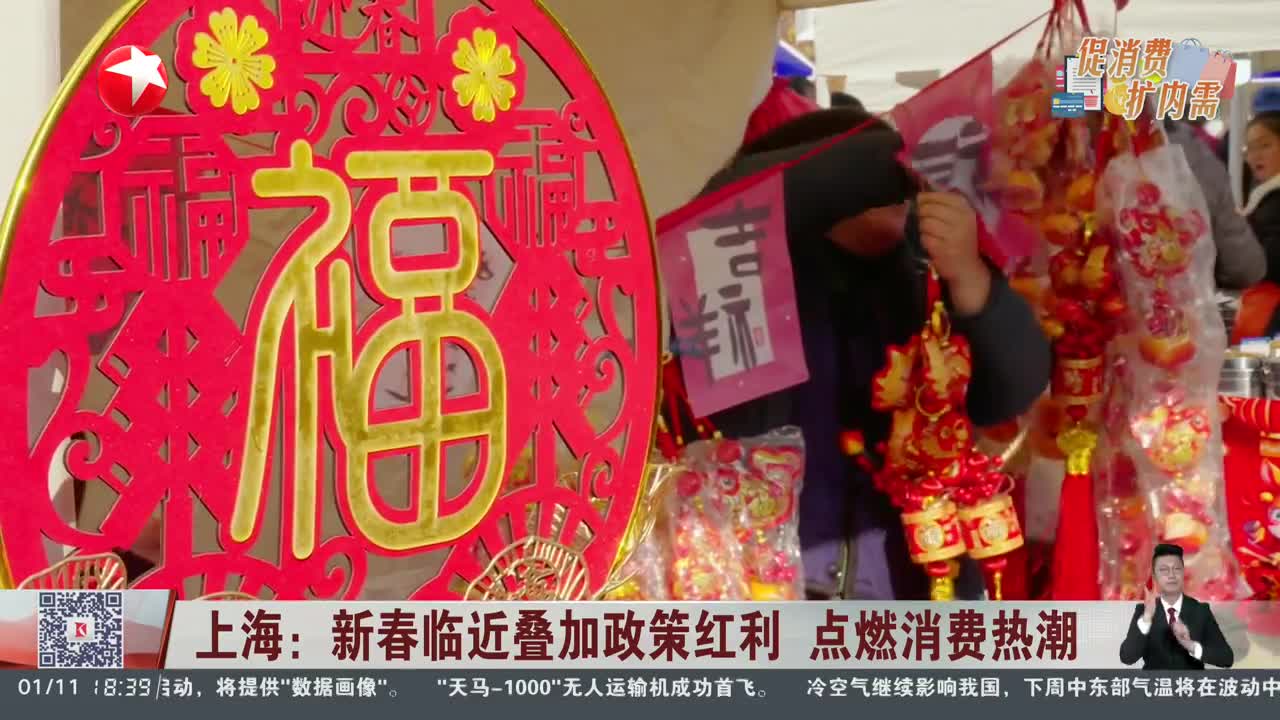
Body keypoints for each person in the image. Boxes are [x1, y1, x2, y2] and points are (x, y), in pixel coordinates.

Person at [695, 108, 1051, 599]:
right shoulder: (745, 287)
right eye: (878, 181)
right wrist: (889, 157)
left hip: (925, 588)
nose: (901, 194)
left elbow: (1011, 390)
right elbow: (737, 419)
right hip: (782, 587)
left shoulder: (928, 274)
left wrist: (970, 278)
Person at [1165, 119, 1265, 289]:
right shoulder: (1194, 153)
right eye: (1250, 148)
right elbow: (1244, 266)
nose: (1255, 155)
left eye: (1264, 146)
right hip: (1188, 295)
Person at [1119, 543, 1233, 670]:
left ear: (1183, 573)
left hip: (1190, 682)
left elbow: (1226, 658)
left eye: (1176, 569)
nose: (1171, 575)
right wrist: (1146, 619)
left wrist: (1191, 645)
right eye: (1164, 570)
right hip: (1156, 682)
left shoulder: (1200, 610)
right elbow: (1127, 657)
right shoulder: (1143, 610)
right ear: (1154, 576)